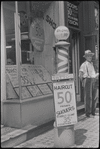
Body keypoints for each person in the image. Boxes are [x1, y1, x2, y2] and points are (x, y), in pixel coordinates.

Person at [79, 50, 99, 118]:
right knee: (88, 97)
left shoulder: (92, 64)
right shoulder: (84, 64)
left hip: (94, 80)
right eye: (88, 56)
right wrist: (83, 82)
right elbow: (80, 75)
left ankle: (93, 112)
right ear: (86, 57)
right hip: (87, 80)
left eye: (90, 55)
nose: (90, 57)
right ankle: (88, 113)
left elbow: (93, 73)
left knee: (95, 96)